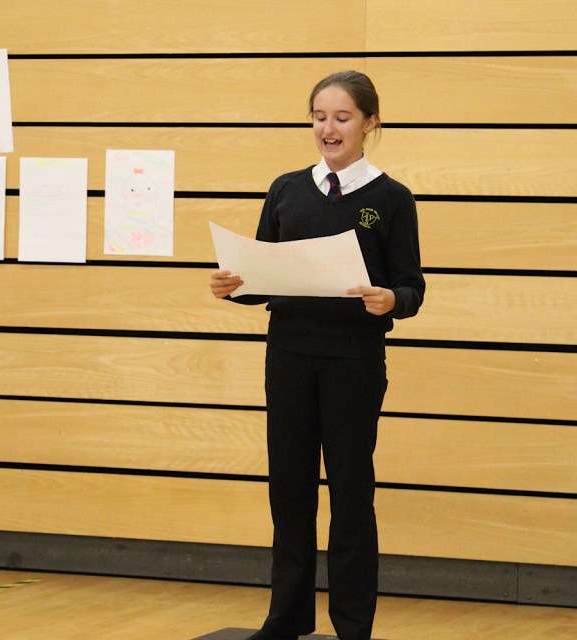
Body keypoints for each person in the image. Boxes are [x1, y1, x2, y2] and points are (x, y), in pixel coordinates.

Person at [209, 71, 424, 640]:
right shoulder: (285, 189)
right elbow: (263, 276)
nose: (328, 129)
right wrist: (236, 285)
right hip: (288, 356)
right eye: (319, 116)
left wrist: (389, 300)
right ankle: (286, 619)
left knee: (352, 493)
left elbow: (412, 289)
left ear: (370, 123)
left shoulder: (391, 199)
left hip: (353, 361)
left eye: (342, 117)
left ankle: (353, 626)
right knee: (290, 488)